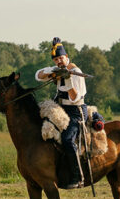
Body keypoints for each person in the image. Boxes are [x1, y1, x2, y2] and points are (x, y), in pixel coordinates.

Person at [36, 37, 87, 189]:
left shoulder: (75, 72)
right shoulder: (56, 69)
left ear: (67, 57)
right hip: (61, 109)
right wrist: (52, 71)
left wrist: (68, 79)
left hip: (76, 111)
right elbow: (38, 75)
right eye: (56, 59)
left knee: (67, 139)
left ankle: (77, 177)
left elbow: (75, 97)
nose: (59, 61)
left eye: (61, 58)